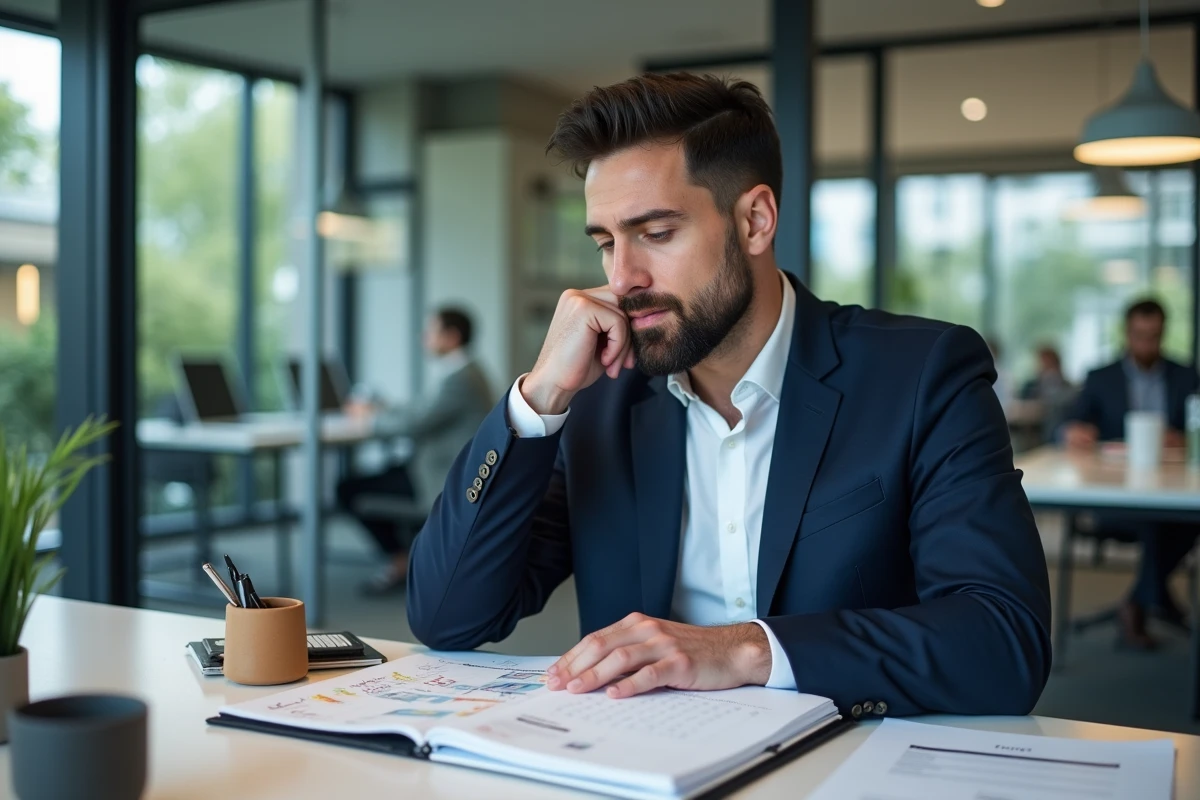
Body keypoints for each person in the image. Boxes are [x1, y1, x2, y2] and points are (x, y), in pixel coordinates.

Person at [407, 74, 1051, 717]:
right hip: (644, 759)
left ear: (754, 221)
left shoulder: (919, 375)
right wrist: (539, 396)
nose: (622, 278)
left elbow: (1003, 641)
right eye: (605, 243)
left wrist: (745, 650)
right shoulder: (599, 401)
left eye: (656, 233)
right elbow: (446, 616)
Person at [1063, 299, 1199, 649]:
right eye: (1140, 336)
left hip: (1170, 485)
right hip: (1115, 492)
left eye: (1154, 336)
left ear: (1164, 334)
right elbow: (1067, 425)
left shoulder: (1186, 376)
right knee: (1158, 521)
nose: (1147, 345)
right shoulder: (1100, 377)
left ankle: (1137, 601)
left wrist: (1183, 438)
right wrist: (1073, 432)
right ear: (1127, 333)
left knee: (1187, 517)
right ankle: (1155, 597)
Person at [337, 307, 493, 595]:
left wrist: (369, 419)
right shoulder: (464, 371)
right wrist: (382, 410)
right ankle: (408, 556)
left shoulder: (460, 379)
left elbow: (414, 423)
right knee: (378, 476)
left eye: (431, 331)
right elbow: (421, 410)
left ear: (451, 337)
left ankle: (401, 560)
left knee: (348, 488)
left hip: (439, 478)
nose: (424, 337)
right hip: (439, 467)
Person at [1019, 345, 1075, 442]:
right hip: (1030, 429)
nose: (1045, 367)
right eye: (1043, 363)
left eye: (1049, 363)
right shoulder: (1030, 386)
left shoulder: (1068, 387)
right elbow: (1023, 405)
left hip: (1054, 430)